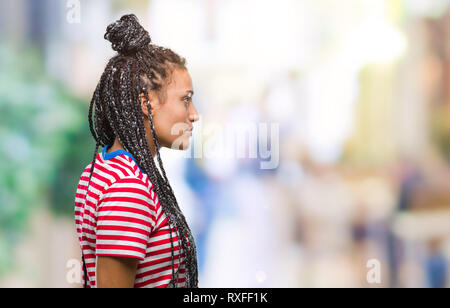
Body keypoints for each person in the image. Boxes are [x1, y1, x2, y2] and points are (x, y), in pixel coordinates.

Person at [73, 14, 200, 288]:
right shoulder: (128, 188)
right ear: (146, 102)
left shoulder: (103, 168)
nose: (194, 115)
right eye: (185, 100)